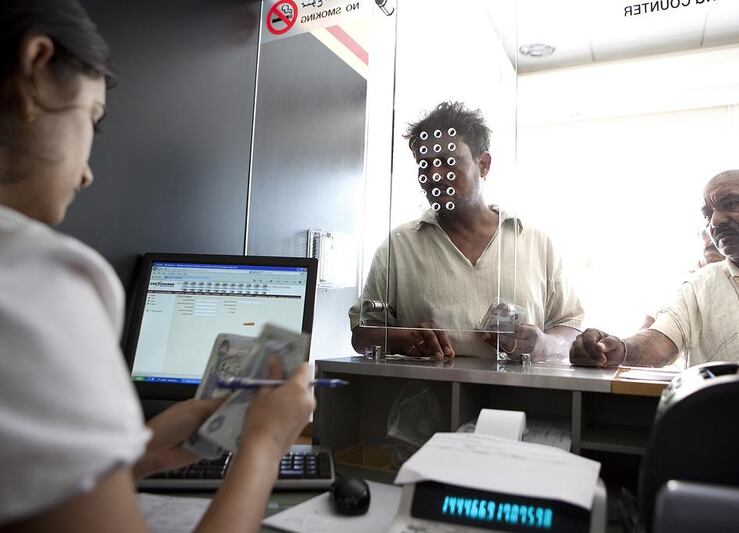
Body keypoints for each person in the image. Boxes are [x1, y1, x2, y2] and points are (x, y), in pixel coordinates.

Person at [0, 2, 314, 531]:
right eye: (92, 119)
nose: (87, 175)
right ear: (37, 67)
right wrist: (264, 444)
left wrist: (144, 453)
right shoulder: (36, 281)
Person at [349, 102, 583, 360]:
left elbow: (570, 325)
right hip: (430, 395)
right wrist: (406, 339)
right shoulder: (399, 246)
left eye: (448, 161)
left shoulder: (534, 242)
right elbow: (362, 334)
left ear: (483, 165)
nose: (434, 175)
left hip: (518, 396)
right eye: (424, 165)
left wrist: (544, 345)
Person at [571, 169, 739, 368]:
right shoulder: (699, 285)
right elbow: (658, 342)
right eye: (707, 214)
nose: (715, 221)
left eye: (730, 204)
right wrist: (617, 349)